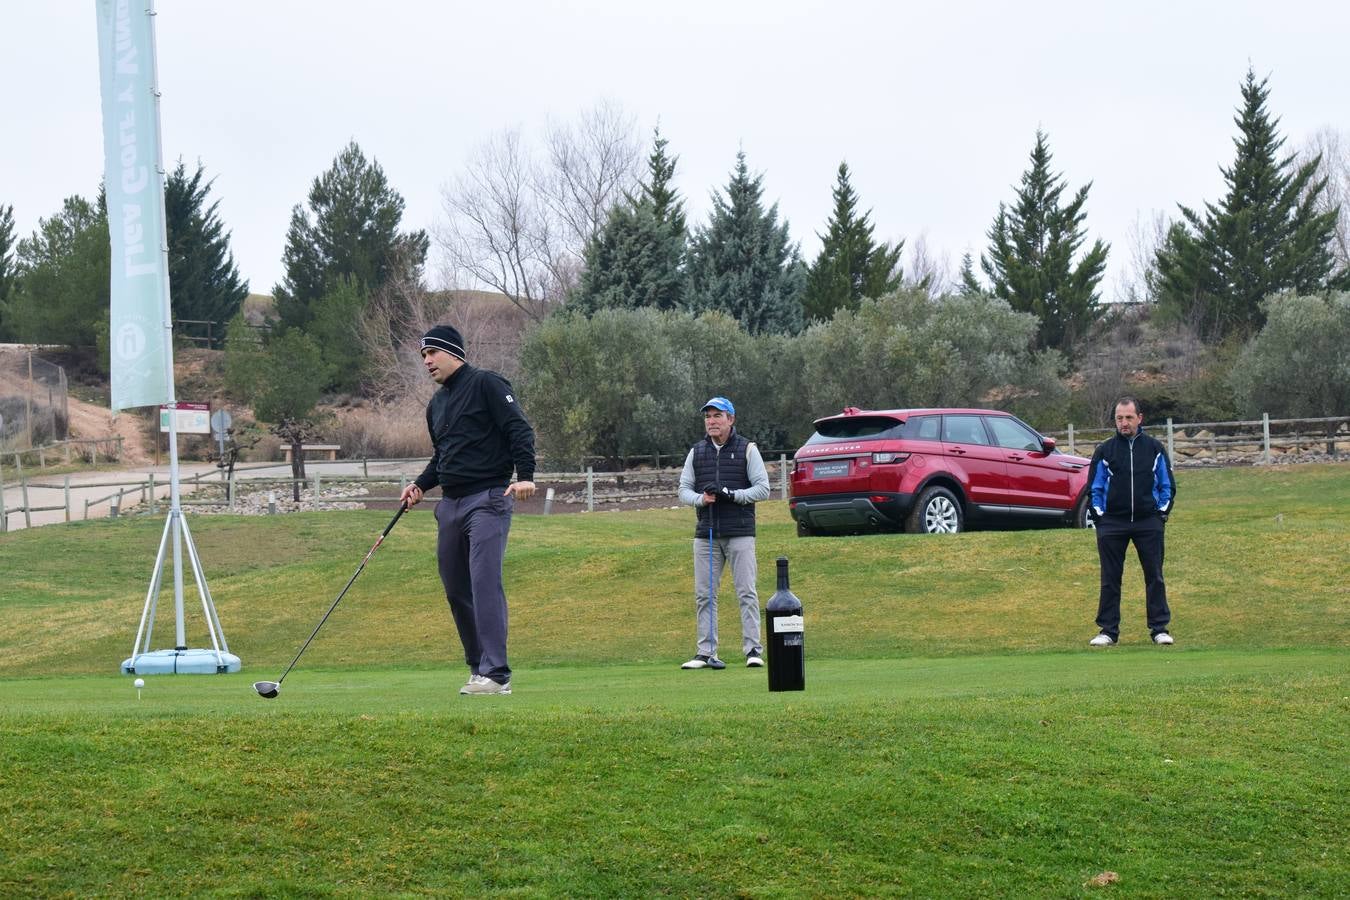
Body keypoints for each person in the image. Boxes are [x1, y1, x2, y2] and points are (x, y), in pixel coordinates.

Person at [400, 324, 536, 695]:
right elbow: (442, 456)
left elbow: (519, 430)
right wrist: (420, 485)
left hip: (488, 499)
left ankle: (497, 674)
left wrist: (525, 475)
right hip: (451, 505)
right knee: (456, 588)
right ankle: (478, 669)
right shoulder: (436, 404)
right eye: (423, 356)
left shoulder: (487, 384)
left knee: (483, 583)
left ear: (454, 353)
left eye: (432, 354)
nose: (427, 361)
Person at [677, 396, 771, 670]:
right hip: (706, 533)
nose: (711, 421)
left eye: (717, 416)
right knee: (704, 594)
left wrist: (731, 494)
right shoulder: (697, 451)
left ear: (730, 419)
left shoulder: (747, 449)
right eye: (708, 416)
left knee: (746, 592)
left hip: (740, 532)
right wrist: (700, 499)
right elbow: (683, 489)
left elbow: (763, 488)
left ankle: (753, 650)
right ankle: (706, 653)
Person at [1087, 396, 1176, 647]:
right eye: (1119, 418)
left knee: (1155, 577)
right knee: (1110, 578)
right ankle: (1108, 631)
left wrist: (1161, 515)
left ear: (1140, 418)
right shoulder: (1104, 450)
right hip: (1112, 523)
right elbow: (1095, 487)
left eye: (1128, 417)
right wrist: (1100, 519)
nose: (1123, 423)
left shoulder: (1155, 448)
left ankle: (1159, 628)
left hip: (1149, 522)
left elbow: (1167, 485)